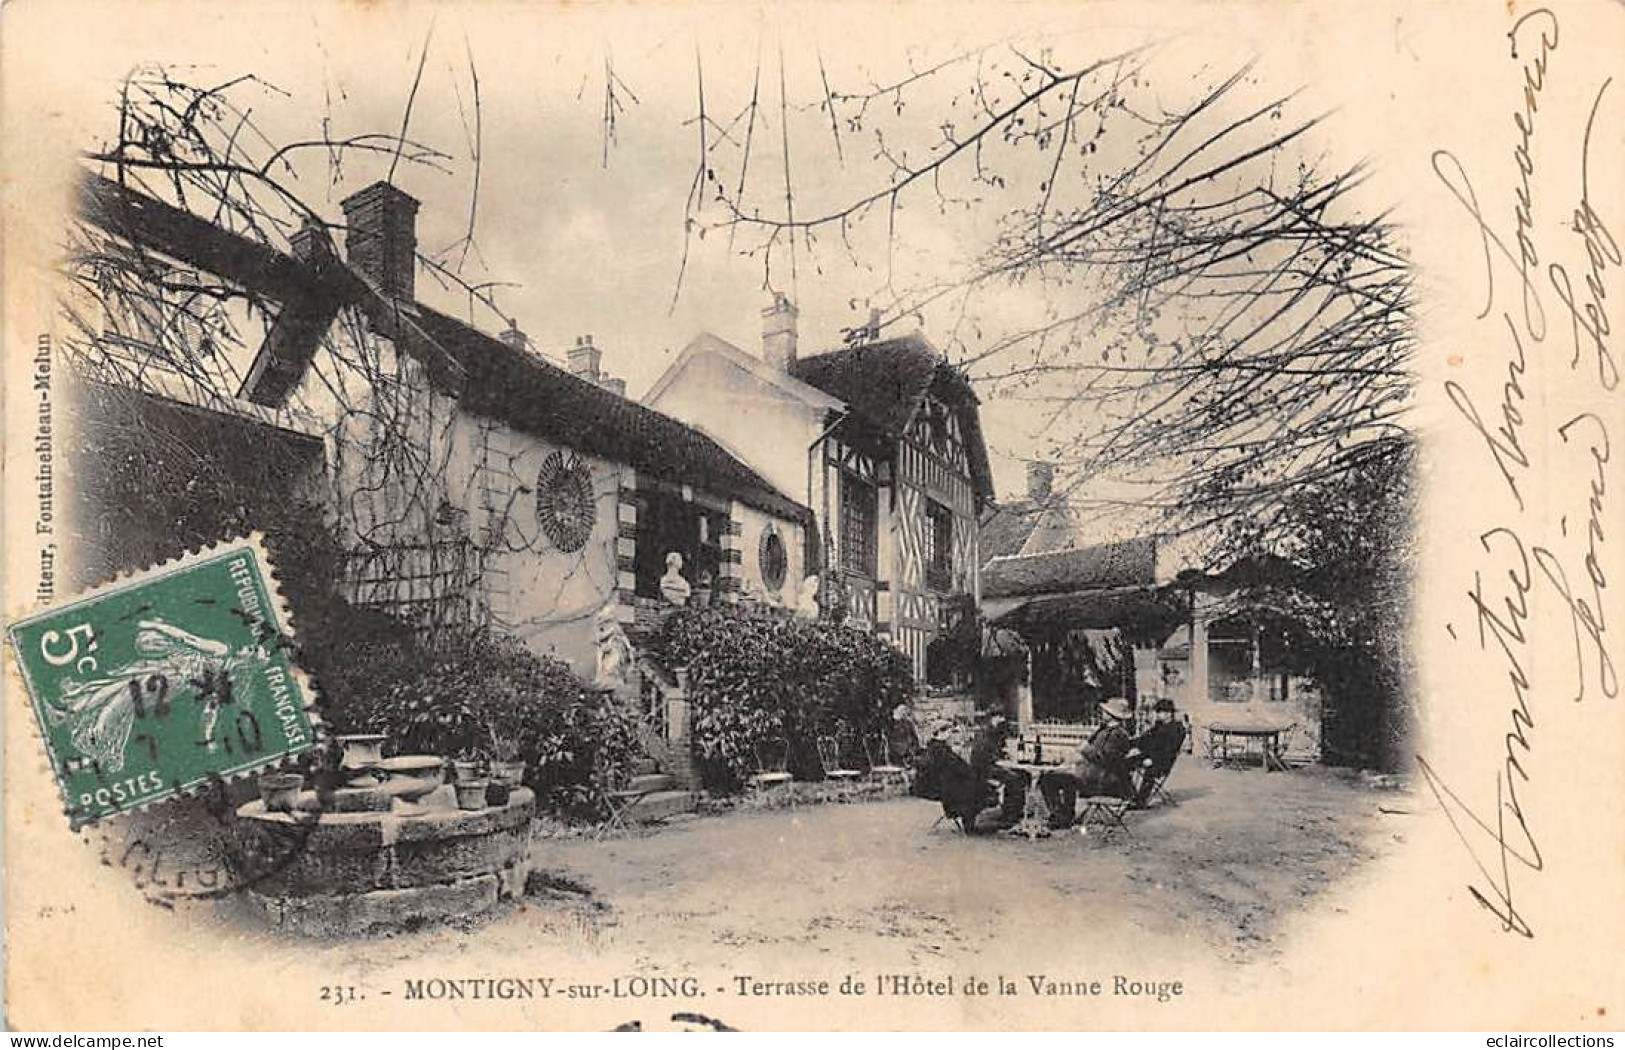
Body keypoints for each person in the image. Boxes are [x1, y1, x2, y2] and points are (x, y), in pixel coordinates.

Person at [1038, 696, 1136, 829]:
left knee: (1048, 779)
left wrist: (1085, 749)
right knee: (1057, 776)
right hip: (1094, 774)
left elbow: (1105, 759)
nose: (1102, 714)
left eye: (1105, 712)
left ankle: (1061, 816)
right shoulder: (1105, 729)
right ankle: (1064, 815)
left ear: (1112, 715)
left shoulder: (1118, 734)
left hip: (1105, 780)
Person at [968, 712, 1028, 829]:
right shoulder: (984, 733)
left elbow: (1002, 748)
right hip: (983, 769)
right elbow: (982, 755)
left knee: (1021, 775)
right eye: (999, 717)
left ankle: (1015, 810)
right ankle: (1010, 815)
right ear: (992, 719)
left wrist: (1004, 754)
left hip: (993, 765)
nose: (1002, 720)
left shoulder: (997, 731)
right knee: (1014, 778)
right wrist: (999, 758)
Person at [1127, 698, 1187, 807]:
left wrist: (1152, 759)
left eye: (1160, 712)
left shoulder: (1176, 729)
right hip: (1149, 756)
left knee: (1150, 771)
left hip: (1162, 761)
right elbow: (1144, 739)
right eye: (1157, 712)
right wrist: (1128, 743)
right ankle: (1129, 794)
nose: (1158, 715)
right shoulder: (1159, 726)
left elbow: (1169, 750)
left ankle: (1140, 801)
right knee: (1124, 763)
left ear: (1169, 713)